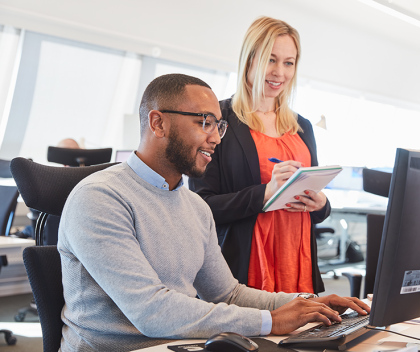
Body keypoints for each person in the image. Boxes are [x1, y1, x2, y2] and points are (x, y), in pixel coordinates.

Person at [57, 73, 369, 351]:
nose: (217, 138)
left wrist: (306, 303)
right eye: (204, 122)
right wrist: (270, 321)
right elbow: (152, 311)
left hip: (178, 344)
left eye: (218, 125)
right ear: (158, 123)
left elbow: (228, 294)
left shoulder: (195, 207)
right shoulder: (100, 198)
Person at [189, 17, 330, 294]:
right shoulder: (218, 119)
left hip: (297, 262)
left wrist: (321, 204)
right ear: (250, 60)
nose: (280, 72)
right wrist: (266, 194)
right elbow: (201, 207)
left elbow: (312, 208)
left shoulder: (303, 127)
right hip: (245, 265)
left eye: (289, 63)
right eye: (271, 60)